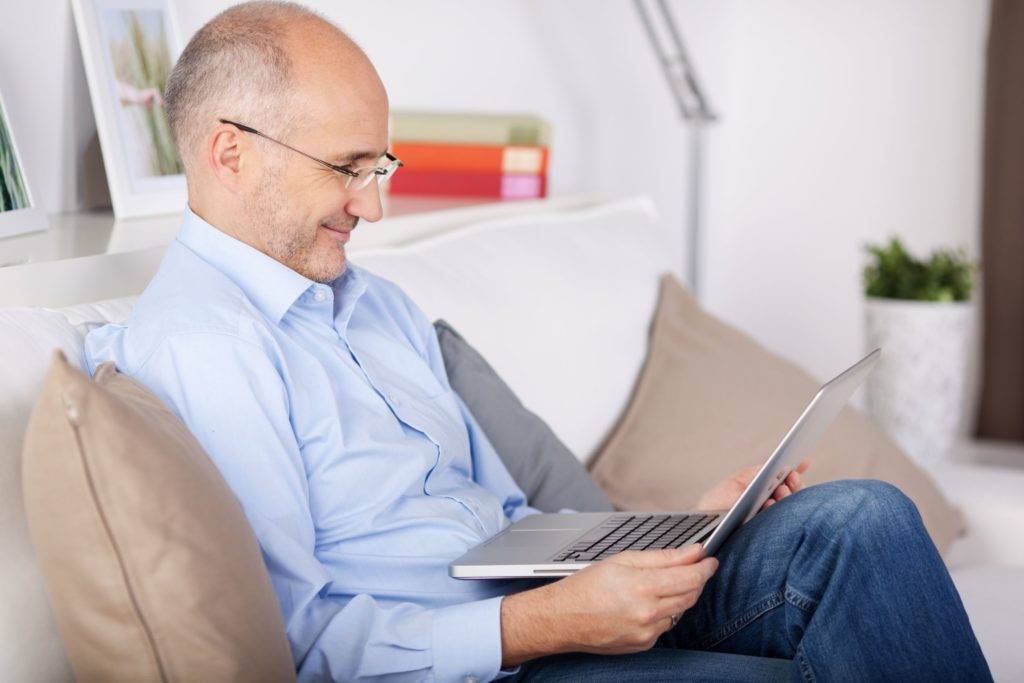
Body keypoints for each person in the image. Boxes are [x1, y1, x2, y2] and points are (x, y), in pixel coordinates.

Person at [84, 2, 991, 681]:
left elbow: (510, 521)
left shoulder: (375, 302)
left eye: (380, 165)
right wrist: (553, 624)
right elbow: (302, 640)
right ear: (229, 152)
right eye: (348, 169)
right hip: (505, 661)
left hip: (554, 605)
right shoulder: (205, 347)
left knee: (862, 517)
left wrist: (686, 524)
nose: (374, 203)